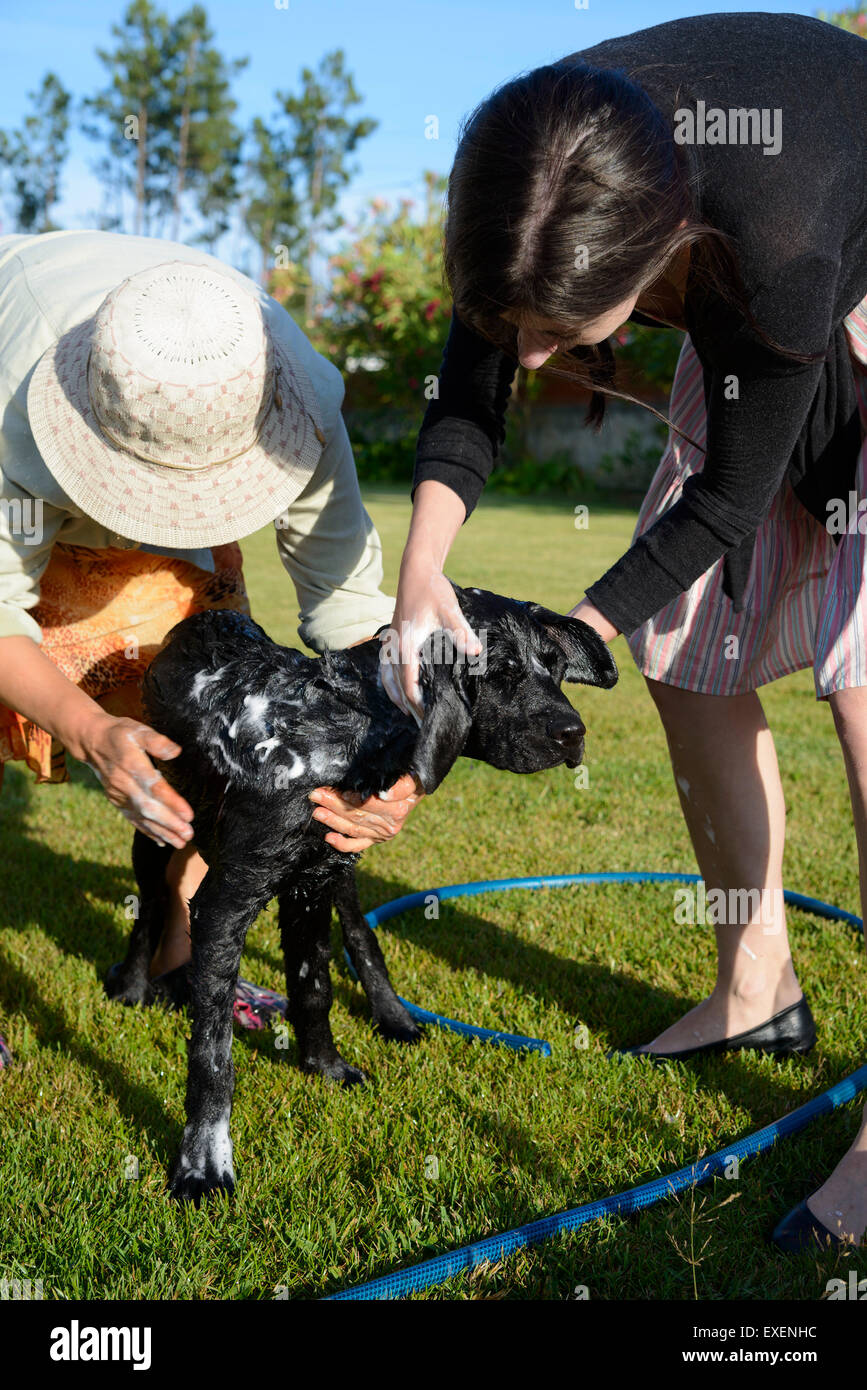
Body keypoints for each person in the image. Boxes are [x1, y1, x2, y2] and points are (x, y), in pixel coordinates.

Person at [379, 12, 867, 1250]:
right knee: (688, 656)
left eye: (562, 334)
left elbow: (729, 499)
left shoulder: (777, 235)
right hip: (745, 295)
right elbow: (476, 377)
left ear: (660, 256)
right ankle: (752, 987)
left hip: (842, 273)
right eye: (521, 324)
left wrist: (565, 628)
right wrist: (421, 570)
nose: (534, 354)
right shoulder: (538, 173)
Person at [0, 228, 422, 1027]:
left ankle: (180, 955)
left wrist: (393, 765)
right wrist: (90, 730)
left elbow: (347, 606)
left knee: (221, 706)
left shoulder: (288, 387)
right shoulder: (12, 392)